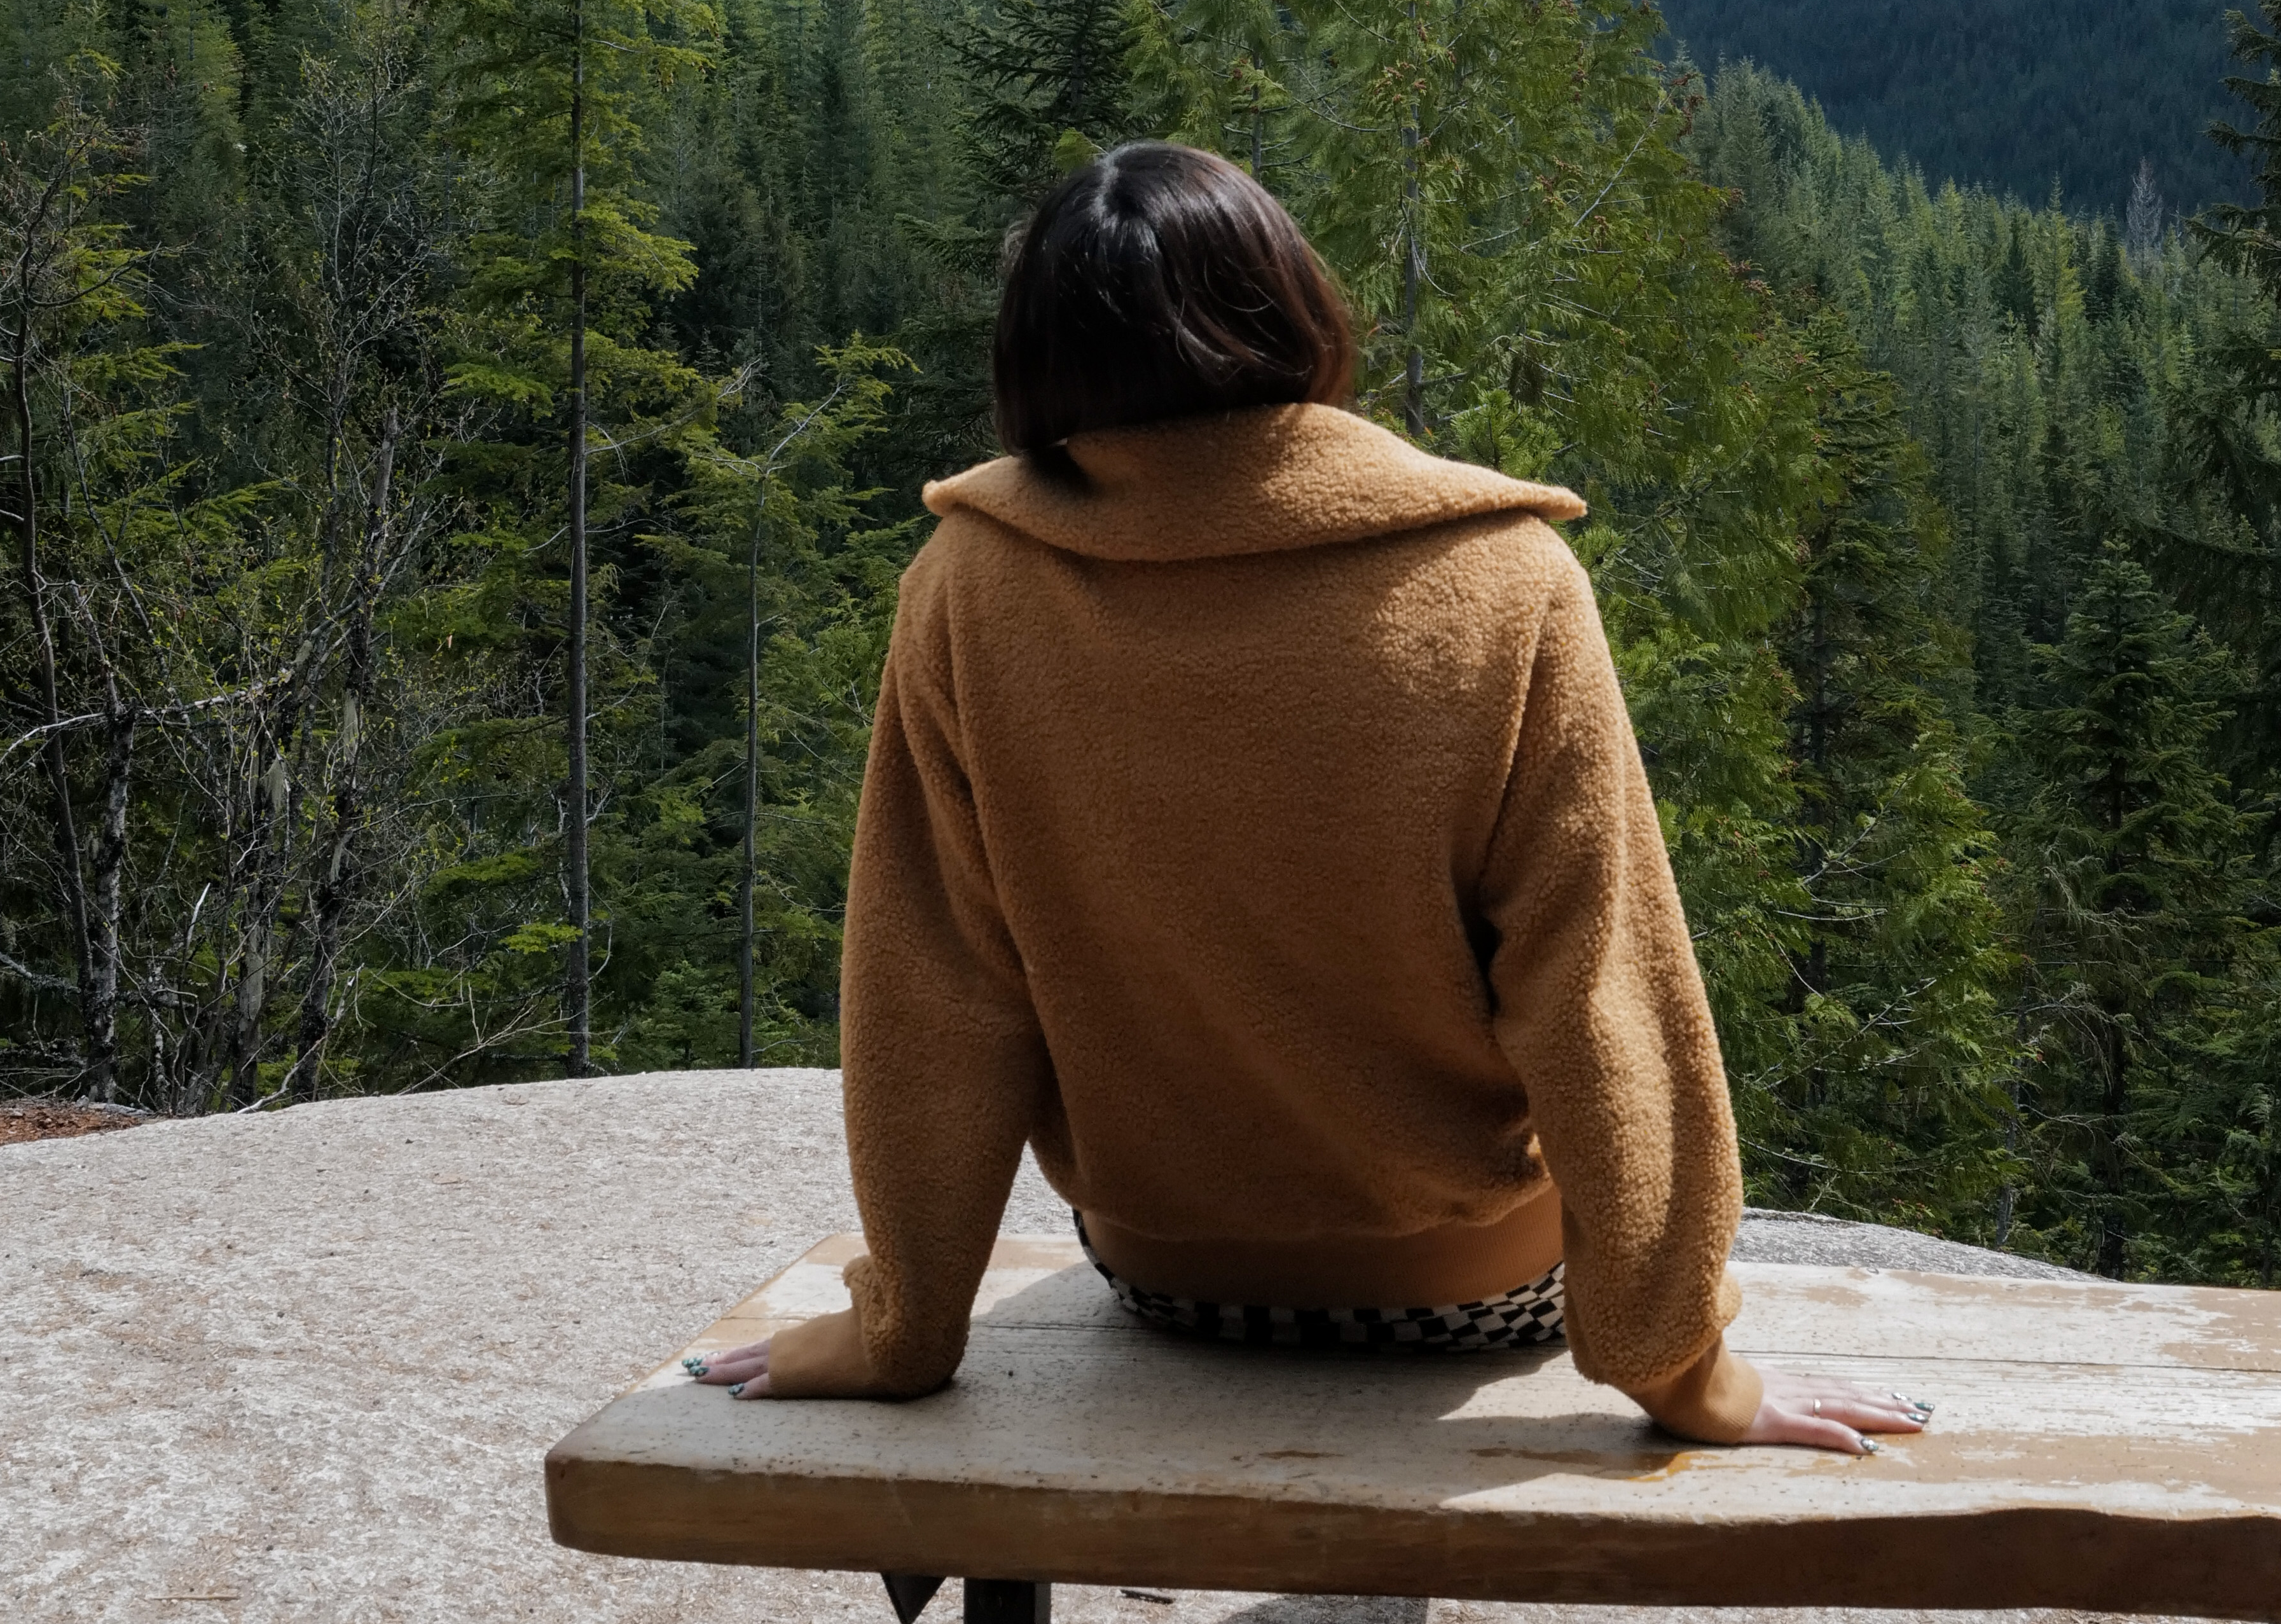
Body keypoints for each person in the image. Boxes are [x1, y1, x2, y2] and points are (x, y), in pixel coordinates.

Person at [696, 141, 1916, 1455]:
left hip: (1169, 1278)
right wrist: (1680, 1364)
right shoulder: (1505, 583)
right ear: (1290, 301)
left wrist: (905, 1325)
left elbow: (937, 994)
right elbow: (1597, 988)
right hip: (1473, 1285)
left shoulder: (962, 590)